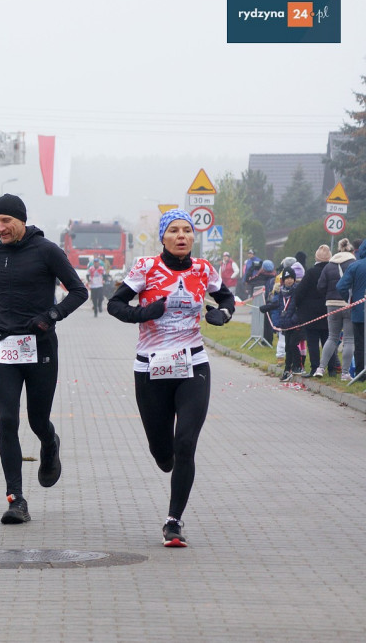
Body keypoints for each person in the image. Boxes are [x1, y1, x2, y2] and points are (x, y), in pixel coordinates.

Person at [0, 194, 88, 525]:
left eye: (6, 221)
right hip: (4, 347)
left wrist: (51, 314)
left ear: (21, 220)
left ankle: (49, 443)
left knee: (37, 420)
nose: (0, 228)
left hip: (40, 347)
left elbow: (78, 291)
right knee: (7, 420)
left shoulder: (47, 251)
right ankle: (16, 499)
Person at [107, 209, 235, 547]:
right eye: (174, 231)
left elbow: (225, 296)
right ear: (163, 237)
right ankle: (164, 457)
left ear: (193, 237)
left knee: (186, 444)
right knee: (163, 452)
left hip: (193, 365)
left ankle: (173, 521)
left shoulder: (203, 269)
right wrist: (144, 312)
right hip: (151, 367)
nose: (182, 236)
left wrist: (223, 313)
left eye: (187, 231)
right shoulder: (146, 268)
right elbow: (114, 305)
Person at [297, 245, 338, 378]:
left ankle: (315, 368)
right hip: (329, 311)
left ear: (316, 257)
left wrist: (298, 307)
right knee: (329, 340)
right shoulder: (334, 270)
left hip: (311, 313)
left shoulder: (311, 272)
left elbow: (300, 292)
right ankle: (332, 369)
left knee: (313, 342)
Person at [318, 238, 355, 380]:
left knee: (332, 337)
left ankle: (321, 368)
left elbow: (320, 286)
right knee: (349, 339)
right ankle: (345, 373)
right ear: (351, 251)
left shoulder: (329, 265)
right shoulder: (354, 264)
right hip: (349, 304)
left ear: (338, 251)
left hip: (332, 304)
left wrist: (328, 296)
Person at [262, 267, 303, 381]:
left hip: (296, 324)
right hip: (286, 324)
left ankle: (298, 366)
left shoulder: (297, 291)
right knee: (287, 348)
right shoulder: (281, 292)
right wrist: (266, 307)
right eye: (287, 278)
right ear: (283, 280)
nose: (289, 280)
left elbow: (299, 308)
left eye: (291, 278)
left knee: (292, 345)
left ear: (294, 279)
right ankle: (287, 369)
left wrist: (294, 320)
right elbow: (277, 304)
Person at [336, 239, 366, 382]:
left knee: (360, 344)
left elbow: (341, 286)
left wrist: (350, 300)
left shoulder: (355, 266)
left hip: (359, 312)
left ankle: (361, 375)